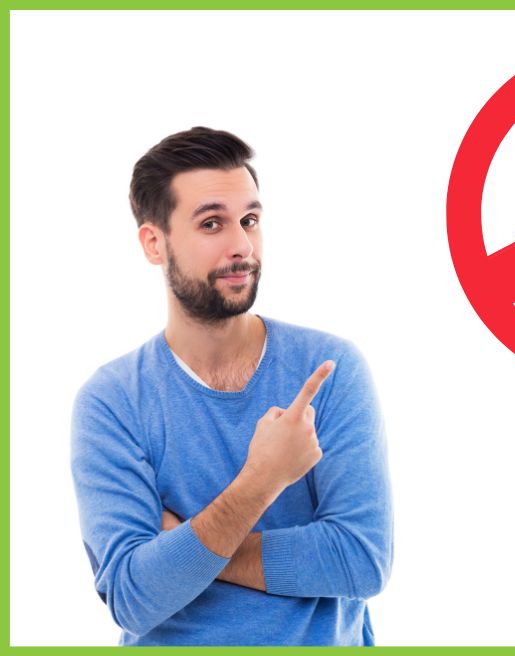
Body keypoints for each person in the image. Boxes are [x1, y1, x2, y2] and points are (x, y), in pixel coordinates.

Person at [69, 127, 393, 646]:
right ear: (155, 243)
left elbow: (359, 560)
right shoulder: (113, 402)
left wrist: (186, 544)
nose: (241, 245)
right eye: (212, 223)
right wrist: (260, 482)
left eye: (250, 221)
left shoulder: (329, 371)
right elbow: (132, 597)